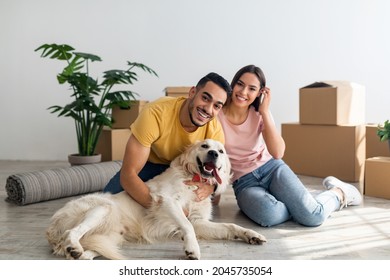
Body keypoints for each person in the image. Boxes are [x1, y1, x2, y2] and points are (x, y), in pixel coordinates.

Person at [217, 64, 362, 227]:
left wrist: (265, 112)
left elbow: (278, 153)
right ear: (233, 83)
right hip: (244, 183)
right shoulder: (217, 114)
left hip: (272, 169)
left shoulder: (259, 113)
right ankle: (304, 203)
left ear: (260, 93)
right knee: (270, 216)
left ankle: (338, 193)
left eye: (252, 88)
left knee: (313, 217)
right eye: (240, 84)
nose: (243, 92)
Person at [103, 72, 232, 208]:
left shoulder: (215, 131)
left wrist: (211, 189)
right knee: (108, 198)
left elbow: (218, 172)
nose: (208, 109)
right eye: (205, 98)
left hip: (184, 169)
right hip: (150, 164)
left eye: (217, 106)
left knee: (212, 201)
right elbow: (128, 175)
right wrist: (163, 209)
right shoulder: (155, 113)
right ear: (192, 92)